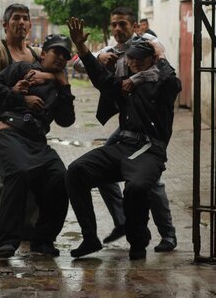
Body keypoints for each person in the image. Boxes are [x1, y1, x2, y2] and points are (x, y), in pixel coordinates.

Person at [66, 17, 181, 260]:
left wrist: (160, 56)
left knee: (137, 188)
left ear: (151, 60)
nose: (134, 63)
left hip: (150, 151)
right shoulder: (123, 84)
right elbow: (99, 77)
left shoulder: (162, 85)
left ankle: (138, 242)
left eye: (141, 58)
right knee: (76, 171)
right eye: (131, 58)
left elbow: (171, 79)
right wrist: (82, 47)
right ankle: (90, 238)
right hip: (123, 146)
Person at [0, 34, 75, 258]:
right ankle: (6, 241)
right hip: (10, 134)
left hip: (37, 141)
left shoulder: (59, 84)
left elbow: (66, 120)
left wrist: (64, 88)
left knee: (60, 177)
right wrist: (20, 98)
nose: (61, 58)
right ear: (43, 54)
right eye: (56, 53)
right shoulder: (23, 68)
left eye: (65, 55)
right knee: (18, 175)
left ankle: (42, 239)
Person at [0, 3, 55, 255]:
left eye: (25, 18)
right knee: (10, 177)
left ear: (30, 24)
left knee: (33, 174)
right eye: (16, 19)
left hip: (28, 124)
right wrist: (17, 97)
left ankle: (26, 231)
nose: (21, 22)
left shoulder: (34, 54)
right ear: (5, 24)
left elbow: (60, 68)